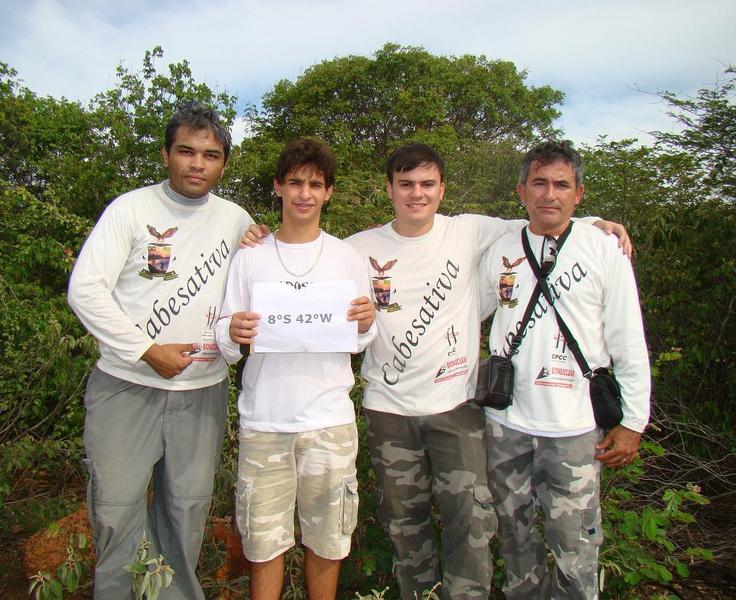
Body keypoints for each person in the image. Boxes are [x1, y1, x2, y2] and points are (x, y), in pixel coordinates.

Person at [240, 142, 629, 599]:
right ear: (389, 188)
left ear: (443, 189)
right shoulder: (355, 251)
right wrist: (255, 238)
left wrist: (593, 226)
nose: (416, 194)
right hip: (388, 412)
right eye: (405, 184)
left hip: (456, 408)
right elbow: (302, 260)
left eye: (427, 184)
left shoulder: (468, 232)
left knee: (471, 523)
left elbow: (538, 218)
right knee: (406, 528)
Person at [67, 104, 254, 600]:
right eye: (186, 151)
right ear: (166, 155)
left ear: (223, 163)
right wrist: (147, 350)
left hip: (202, 395)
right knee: (116, 509)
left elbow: (250, 300)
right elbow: (86, 290)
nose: (197, 164)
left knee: (186, 512)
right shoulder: (130, 209)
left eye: (210, 155)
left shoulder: (238, 221)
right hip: (126, 388)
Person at [478, 140, 650, 599]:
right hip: (506, 423)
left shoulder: (603, 250)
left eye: (561, 184)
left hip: (574, 427)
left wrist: (633, 421)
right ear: (521, 191)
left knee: (576, 548)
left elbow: (628, 339)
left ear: (579, 193)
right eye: (539, 183)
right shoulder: (500, 251)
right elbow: (464, 313)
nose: (549, 194)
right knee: (515, 544)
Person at [215, 138, 377, 600]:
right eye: (295, 183)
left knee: (328, 539)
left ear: (329, 193)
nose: (304, 193)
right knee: (263, 543)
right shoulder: (250, 257)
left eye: (315, 184)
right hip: (264, 420)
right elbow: (224, 339)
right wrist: (235, 330)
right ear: (278, 188)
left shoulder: (348, 258)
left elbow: (362, 337)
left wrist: (367, 322)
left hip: (330, 420)